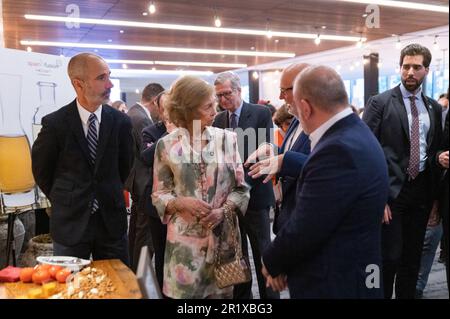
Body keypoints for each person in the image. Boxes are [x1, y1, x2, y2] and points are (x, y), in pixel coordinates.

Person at [262, 65, 389, 298]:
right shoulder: (356, 131)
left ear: (305, 108)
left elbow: (307, 225)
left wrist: (270, 260)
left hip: (336, 282)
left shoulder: (336, 150)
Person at [152, 76, 250, 299]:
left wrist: (222, 211)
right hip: (184, 249)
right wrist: (180, 202)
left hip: (222, 245)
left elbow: (242, 189)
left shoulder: (228, 139)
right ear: (188, 110)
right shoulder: (166, 145)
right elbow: (159, 194)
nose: (216, 110)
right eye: (208, 106)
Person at [31, 53, 133, 265]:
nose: (110, 84)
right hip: (70, 222)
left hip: (111, 221)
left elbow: (125, 165)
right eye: (102, 78)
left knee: (118, 286)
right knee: (71, 286)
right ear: (79, 84)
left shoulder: (121, 122)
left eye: (109, 76)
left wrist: (107, 190)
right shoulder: (55, 124)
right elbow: (42, 171)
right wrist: (66, 197)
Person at [363, 43, 443, 299]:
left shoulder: (434, 108)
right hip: (390, 194)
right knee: (389, 258)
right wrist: (378, 197)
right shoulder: (380, 102)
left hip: (420, 193)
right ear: (400, 68)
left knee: (412, 260)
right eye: (406, 66)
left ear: (426, 70)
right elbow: (366, 151)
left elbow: (431, 151)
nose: (410, 72)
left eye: (416, 67)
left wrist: (438, 161)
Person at [212, 71, 276, 299]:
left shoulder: (259, 113)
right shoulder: (219, 120)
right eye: (218, 96)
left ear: (239, 91)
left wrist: (238, 189)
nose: (222, 100)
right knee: (237, 255)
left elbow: (259, 156)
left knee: (262, 253)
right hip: (229, 201)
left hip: (255, 197)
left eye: (226, 94)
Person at [246, 63, 311, 234]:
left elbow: (324, 163)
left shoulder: (319, 124)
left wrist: (284, 159)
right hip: (289, 213)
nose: (280, 96)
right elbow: (293, 151)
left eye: (284, 90)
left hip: (306, 215)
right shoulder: (296, 119)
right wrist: (273, 150)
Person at [125, 83, 165, 271]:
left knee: (136, 233)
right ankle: (139, 278)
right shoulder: (141, 119)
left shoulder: (133, 113)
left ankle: (134, 275)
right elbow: (147, 155)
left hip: (137, 183)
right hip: (144, 185)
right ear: (155, 101)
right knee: (144, 238)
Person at [139, 91, 175, 292]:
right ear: (159, 111)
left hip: (184, 203)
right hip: (158, 204)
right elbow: (146, 158)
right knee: (161, 253)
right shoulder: (152, 132)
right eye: (165, 109)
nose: (169, 113)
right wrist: (169, 134)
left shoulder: (192, 129)